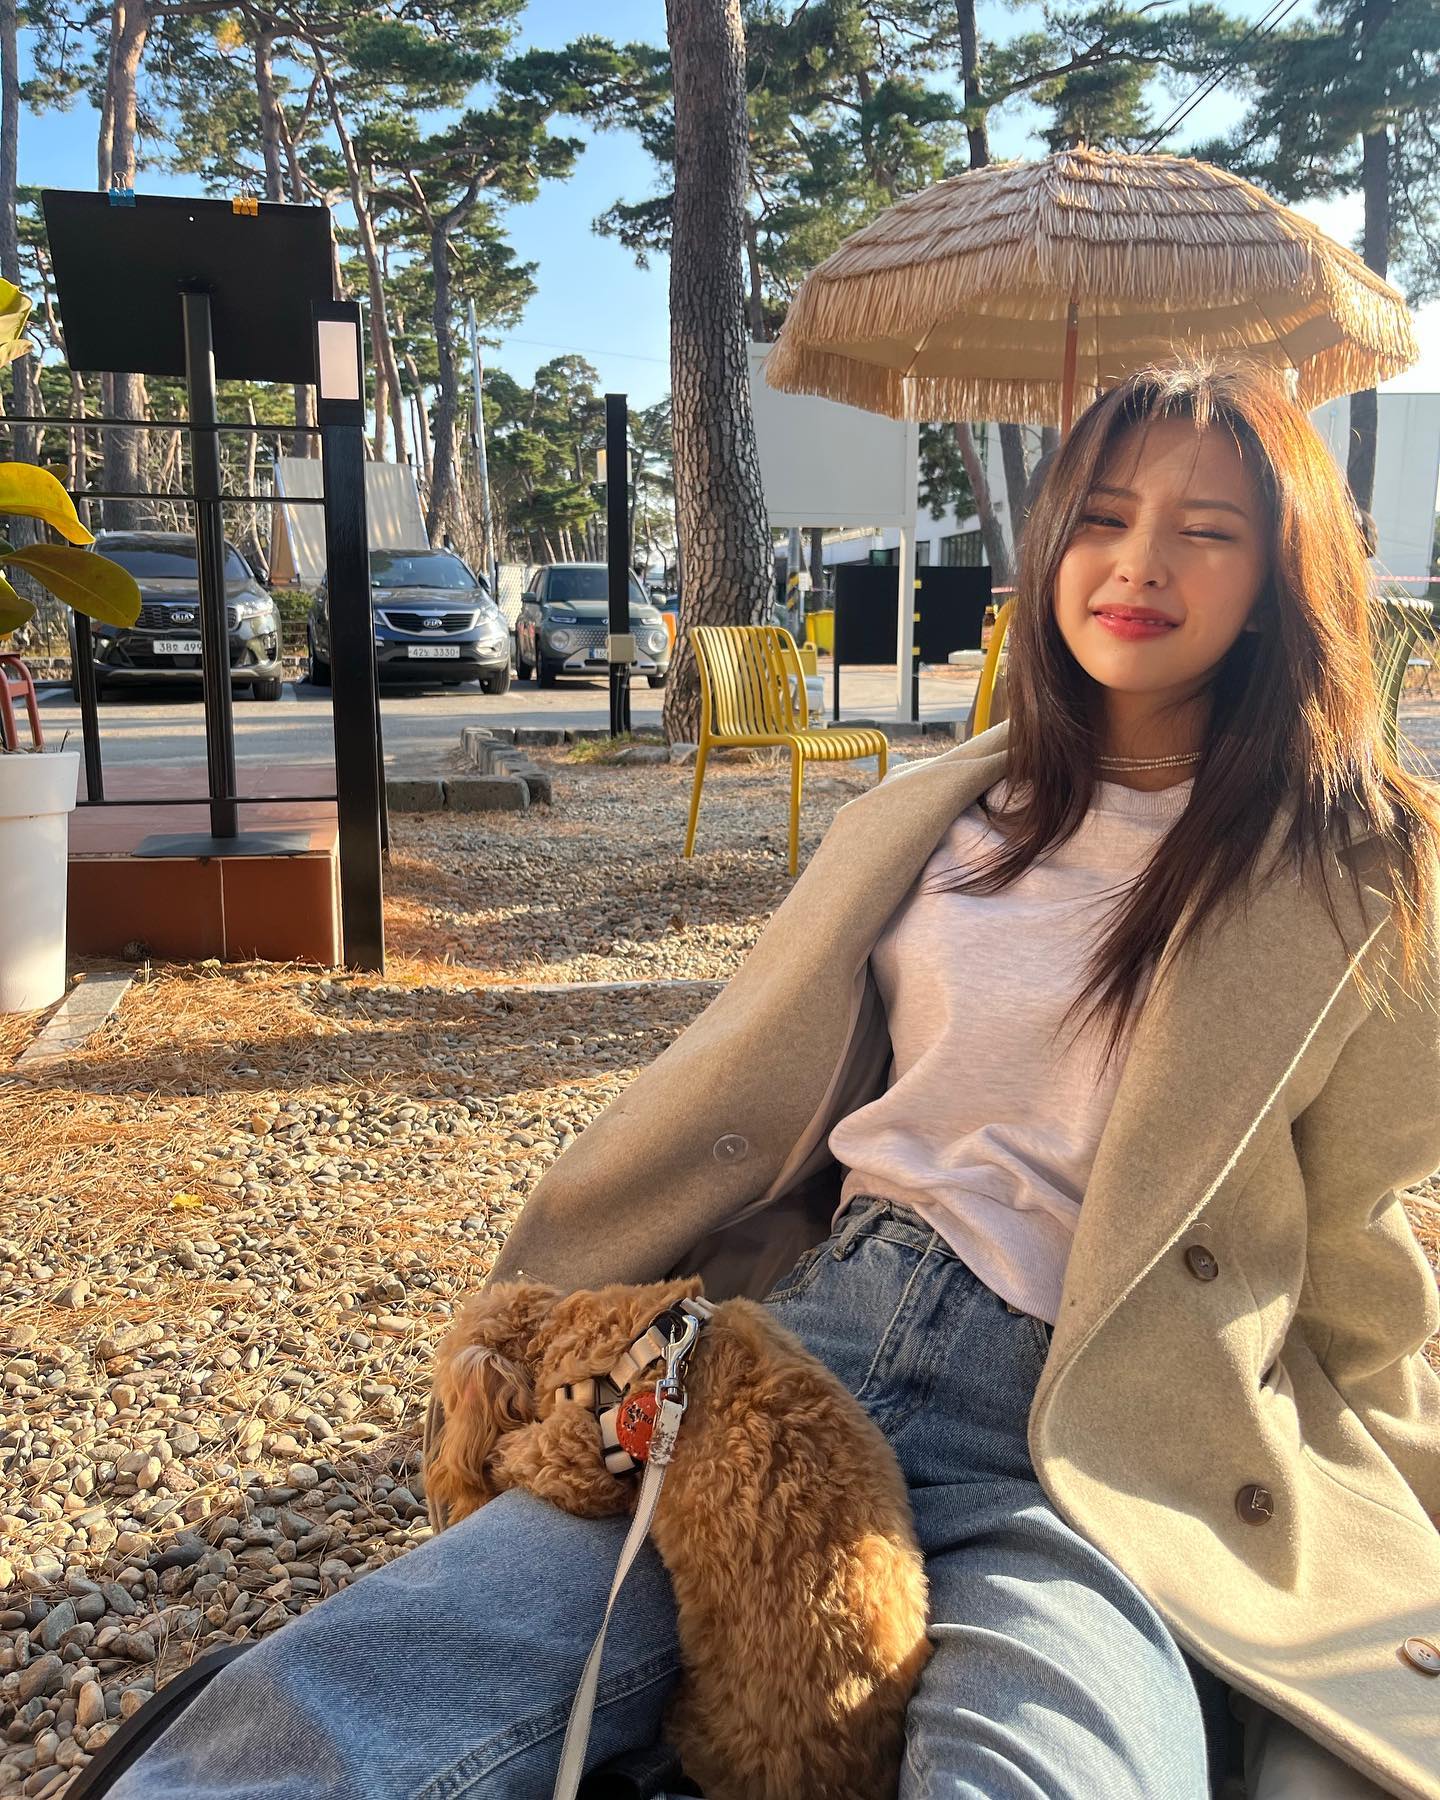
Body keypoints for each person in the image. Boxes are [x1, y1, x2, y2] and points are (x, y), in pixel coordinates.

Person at [112, 363, 1440, 1800]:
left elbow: (1351, 1229)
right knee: (355, 1692)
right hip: (801, 1360)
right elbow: (756, 1103)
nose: (1139, 564)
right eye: (1105, 517)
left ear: (1282, 579)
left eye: (1207, 530)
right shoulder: (937, 813)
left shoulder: (1359, 875)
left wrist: (1389, 1490)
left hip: (1099, 1438)